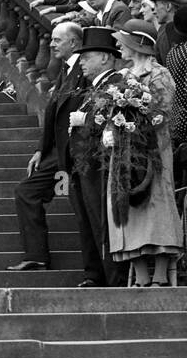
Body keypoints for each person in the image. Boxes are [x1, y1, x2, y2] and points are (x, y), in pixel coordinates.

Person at [108, 21, 182, 286]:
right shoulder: (123, 75)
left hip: (153, 150)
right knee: (127, 204)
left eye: (122, 41)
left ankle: (160, 275)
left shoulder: (159, 75)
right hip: (125, 150)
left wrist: (135, 117)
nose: (117, 45)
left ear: (137, 44)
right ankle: (140, 276)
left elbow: (163, 114)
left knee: (156, 204)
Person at [8, 23, 85, 271]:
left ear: (73, 42)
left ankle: (97, 270)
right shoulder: (65, 69)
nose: (51, 45)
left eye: (56, 40)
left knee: (83, 207)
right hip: (54, 152)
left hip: (76, 151)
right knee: (26, 191)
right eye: (51, 40)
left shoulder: (84, 70)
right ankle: (36, 255)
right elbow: (53, 113)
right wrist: (41, 149)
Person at [66, 26, 129, 289]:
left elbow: (118, 118)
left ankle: (111, 279)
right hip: (85, 167)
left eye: (86, 56)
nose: (81, 62)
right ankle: (95, 274)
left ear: (104, 57)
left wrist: (87, 119)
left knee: (103, 223)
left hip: (101, 166)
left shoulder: (115, 82)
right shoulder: (96, 85)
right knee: (88, 222)